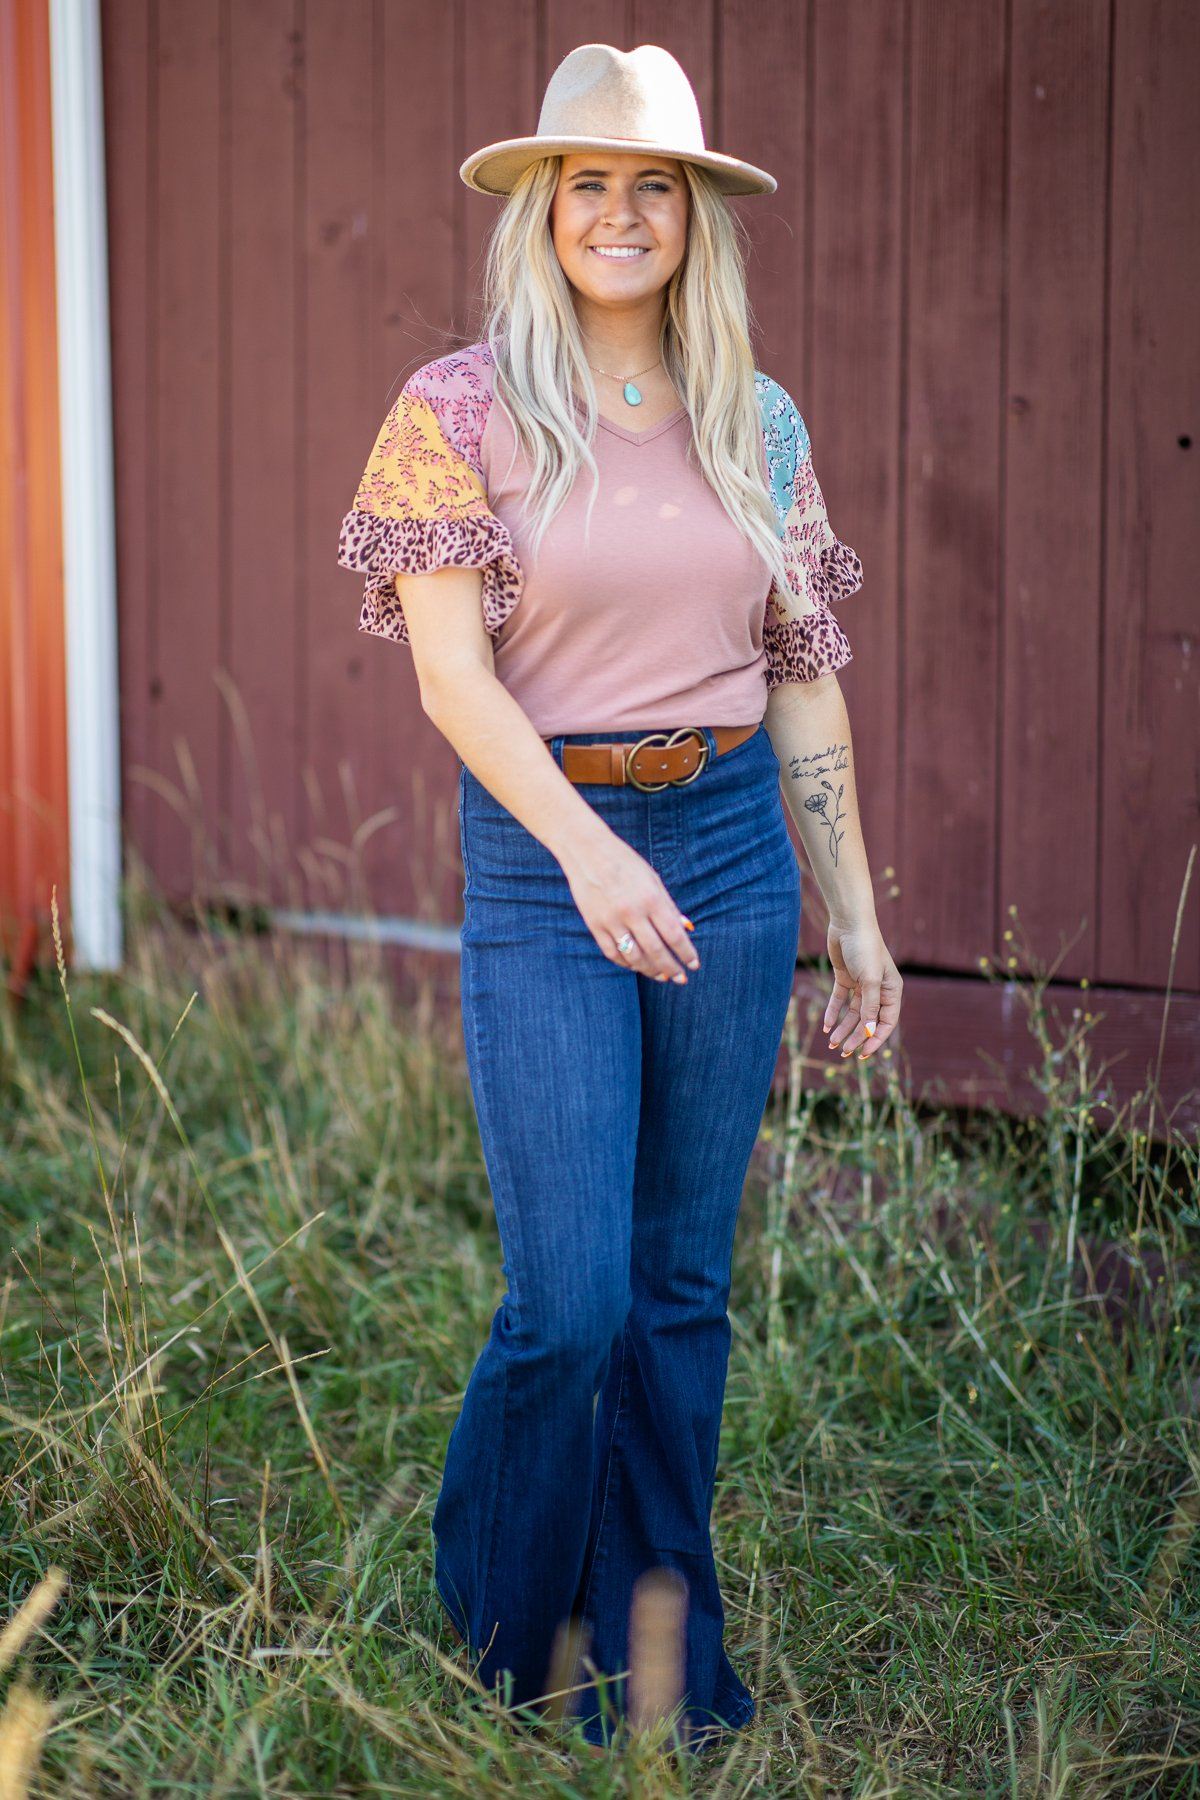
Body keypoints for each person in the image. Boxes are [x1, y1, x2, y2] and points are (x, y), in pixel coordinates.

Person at [337, 40, 903, 1752]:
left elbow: (800, 672)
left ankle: (661, 1665)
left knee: (676, 1290)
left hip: (727, 845)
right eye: (588, 182)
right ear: (543, 208)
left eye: (654, 185)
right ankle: (507, 1627)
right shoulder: (455, 408)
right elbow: (453, 678)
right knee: (569, 1300)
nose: (621, 212)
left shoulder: (757, 418)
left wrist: (854, 908)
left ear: (695, 217)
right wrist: (589, 852)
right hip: (546, 853)